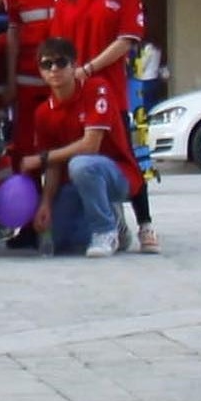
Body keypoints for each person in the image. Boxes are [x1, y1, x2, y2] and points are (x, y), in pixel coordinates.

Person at [51, 0, 158, 253]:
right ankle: (111, 222)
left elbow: (126, 40)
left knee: (127, 156)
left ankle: (146, 226)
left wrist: (89, 68)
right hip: (73, 94)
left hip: (111, 92)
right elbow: (57, 44)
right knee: (85, 159)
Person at [23, 37, 144, 257]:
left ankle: (105, 230)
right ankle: (119, 227)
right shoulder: (43, 112)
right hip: (75, 184)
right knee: (59, 242)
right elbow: (53, 165)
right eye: (46, 64)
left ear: (75, 65)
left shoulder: (96, 89)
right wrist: (46, 204)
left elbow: (91, 145)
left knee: (82, 164)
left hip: (116, 175)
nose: (54, 69)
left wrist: (42, 158)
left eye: (61, 63)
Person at [2, 0, 70, 158]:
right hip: (27, 77)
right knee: (27, 147)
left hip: (66, 78)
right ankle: (30, 197)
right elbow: (13, 30)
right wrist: (10, 79)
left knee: (66, 144)